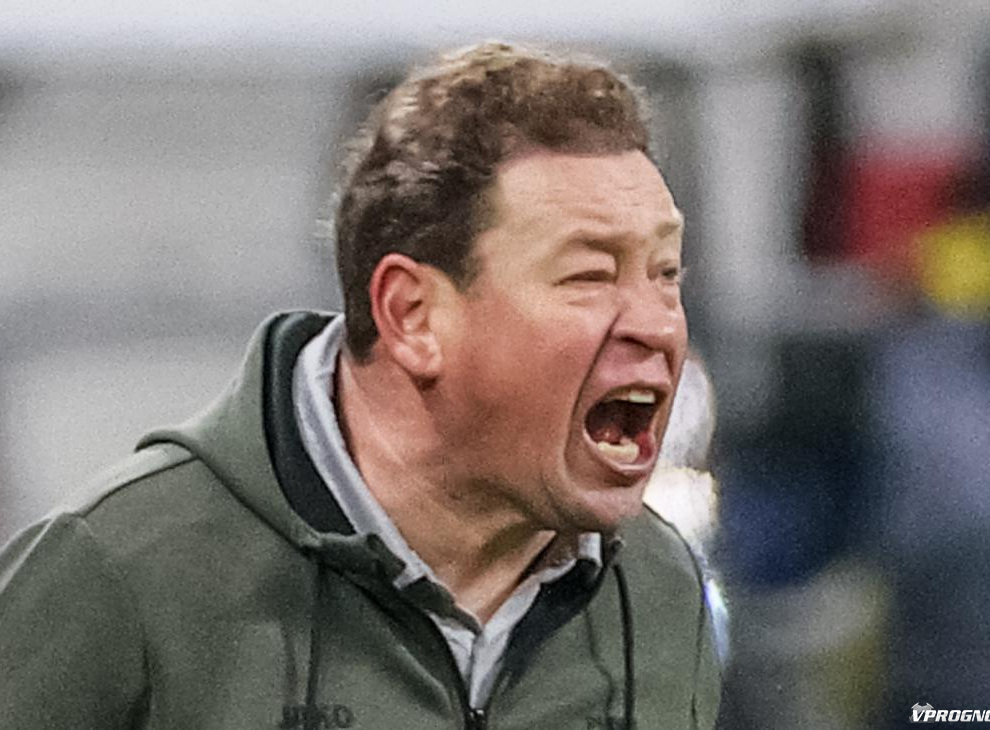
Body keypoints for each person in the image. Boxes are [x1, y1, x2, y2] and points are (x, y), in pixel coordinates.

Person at [0, 42, 722, 729]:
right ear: (412, 316)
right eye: (590, 275)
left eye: (666, 273)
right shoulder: (118, 574)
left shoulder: (656, 588)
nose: (658, 324)